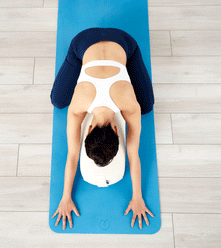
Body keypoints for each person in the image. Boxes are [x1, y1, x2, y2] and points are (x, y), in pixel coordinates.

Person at [50, 27, 155, 230]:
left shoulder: (127, 107)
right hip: (87, 42)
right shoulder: (80, 107)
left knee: (147, 107)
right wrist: (64, 198)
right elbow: (73, 155)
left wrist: (138, 197)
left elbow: (73, 155)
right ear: (88, 131)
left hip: (123, 42)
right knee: (57, 100)